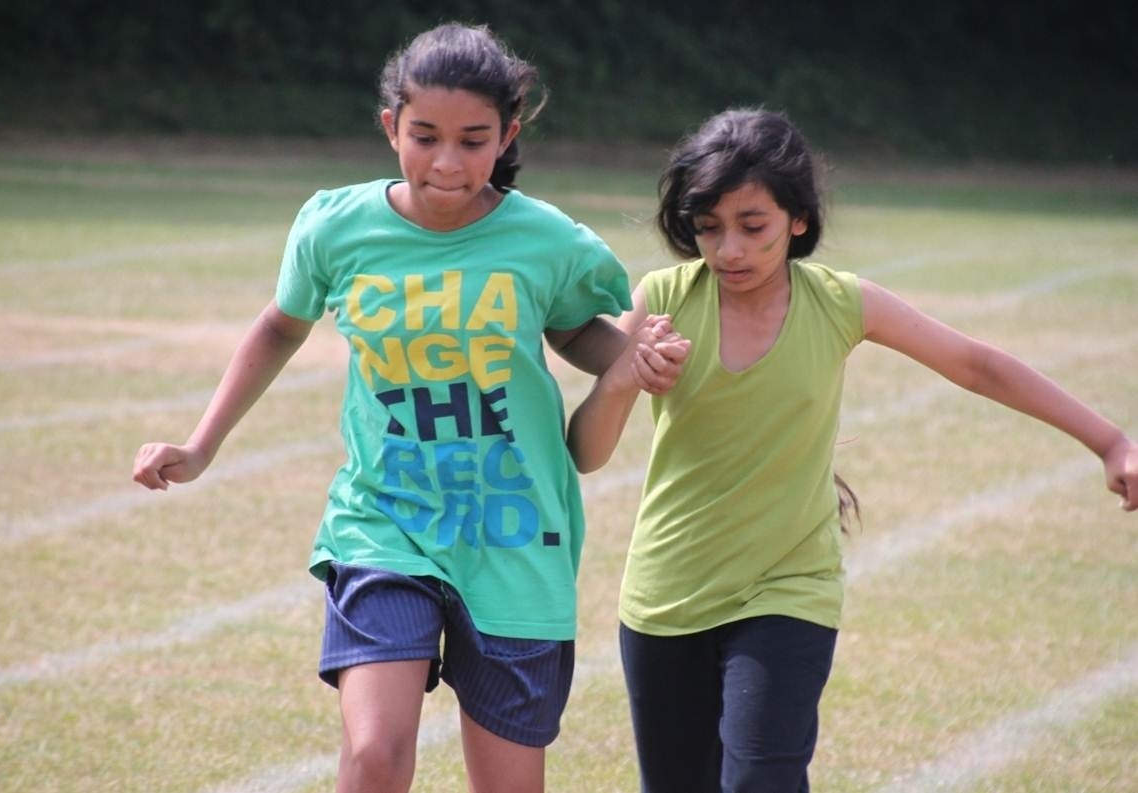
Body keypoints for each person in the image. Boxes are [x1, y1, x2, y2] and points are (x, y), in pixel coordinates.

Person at [132, 23, 677, 793]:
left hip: (513, 532)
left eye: (473, 140)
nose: (447, 162)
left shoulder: (547, 240)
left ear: (507, 135)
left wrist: (634, 359)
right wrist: (199, 446)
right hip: (385, 520)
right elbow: (279, 327)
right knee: (375, 753)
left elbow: (579, 332)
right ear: (391, 126)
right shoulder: (336, 227)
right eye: (425, 136)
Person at [566, 107, 1138, 793]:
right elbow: (587, 453)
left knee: (760, 781)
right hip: (666, 594)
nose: (729, 250)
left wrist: (1109, 440)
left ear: (798, 219)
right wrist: (624, 377)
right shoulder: (662, 301)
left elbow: (977, 365)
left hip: (787, 589)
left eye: (753, 226)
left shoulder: (841, 303)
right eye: (709, 227)